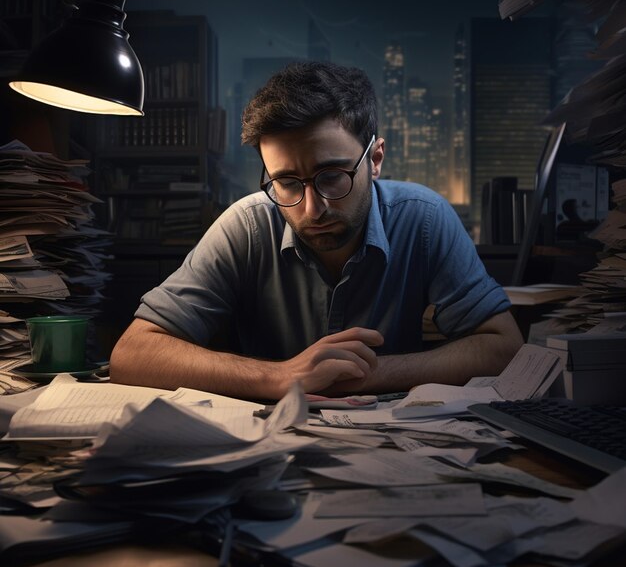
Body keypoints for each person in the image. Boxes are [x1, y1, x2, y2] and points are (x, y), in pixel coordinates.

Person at [109, 61, 523, 400]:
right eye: (286, 181)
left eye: (331, 175)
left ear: (375, 159)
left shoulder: (425, 219)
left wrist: (364, 374)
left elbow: (504, 347)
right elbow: (133, 353)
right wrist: (282, 377)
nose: (313, 208)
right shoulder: (246, 225)